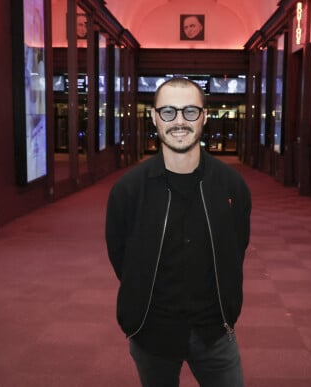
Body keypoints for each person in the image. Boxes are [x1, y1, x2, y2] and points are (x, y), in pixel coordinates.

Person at [105, 77, 251, 387]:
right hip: (152, 331)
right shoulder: (128, 191)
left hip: (214, 331)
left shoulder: (232, 187)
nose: (179, 121)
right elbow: (121, 259)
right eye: (168, 112)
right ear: (154, 116)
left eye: (190, 111)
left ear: (205, 117)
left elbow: (236, 248)